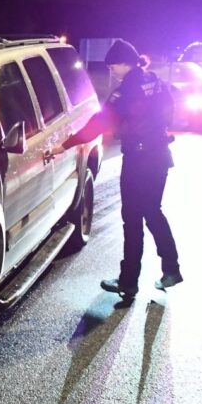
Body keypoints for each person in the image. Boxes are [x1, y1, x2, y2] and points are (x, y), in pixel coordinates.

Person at [50, 39, 182, 297]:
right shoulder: (155, 82)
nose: (111, 71)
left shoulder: (127, 90)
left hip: (138, 160)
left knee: (132, 219)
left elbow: (99, 121)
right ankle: (171, 269)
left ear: (125, 63)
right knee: (153, 212)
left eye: (113, 67)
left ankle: (128, 281)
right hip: (159, 156)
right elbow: (170, 111)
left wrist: (64, 145)